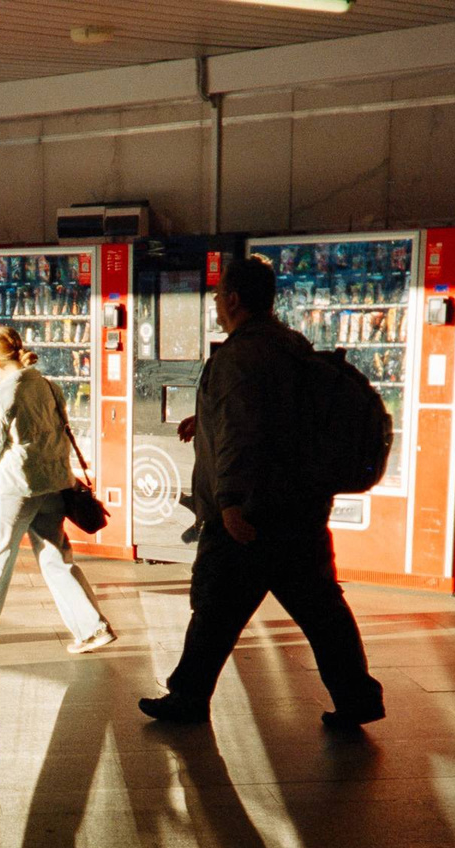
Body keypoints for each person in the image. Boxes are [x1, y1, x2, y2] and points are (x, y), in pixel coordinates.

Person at [138, 255, 385, 731]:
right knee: (321, 610)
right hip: (299, 503)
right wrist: (204, 418)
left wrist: (229, 501)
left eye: (218, 295)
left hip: (251, 511)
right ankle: (357, 697)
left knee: (214, 607)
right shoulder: (288, 343)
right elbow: (273, 415)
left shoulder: (239, 355)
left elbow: (244, 431)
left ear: (233, 299)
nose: (215, 303)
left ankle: (188, 698)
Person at [0, 326, 114, 653]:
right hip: (52, 483)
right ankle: (93, 628)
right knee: (56, 558)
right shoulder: (48, 385)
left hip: (15, 486)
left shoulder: (0, 395)